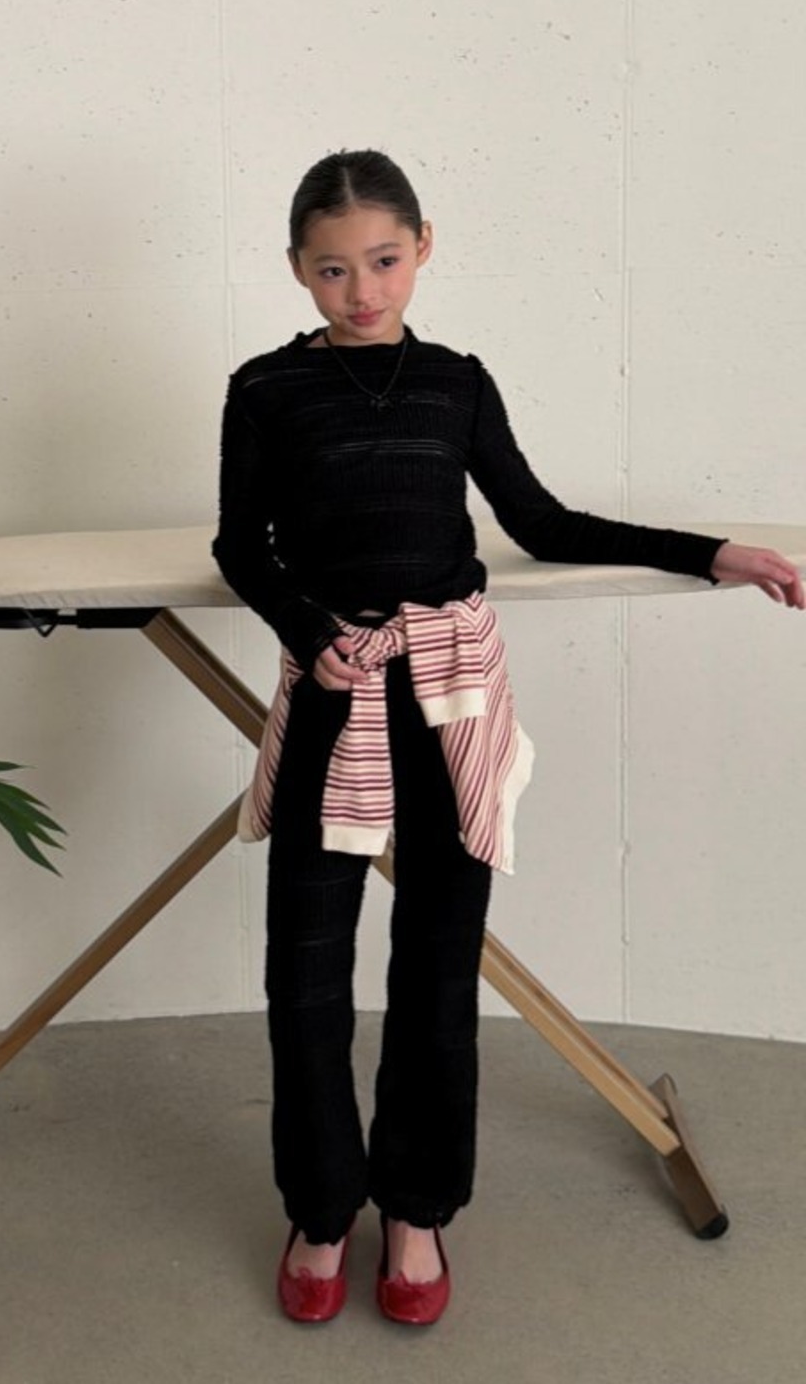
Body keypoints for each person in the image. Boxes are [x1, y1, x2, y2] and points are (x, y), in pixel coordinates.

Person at [212, 148, 803, 1328]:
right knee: (305, 965)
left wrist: (711, 553)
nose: (361, 290)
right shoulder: (265, 390)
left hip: (450, 697)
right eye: (331, 270)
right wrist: (308, 631)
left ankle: (416, 1207)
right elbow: (242, 544)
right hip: (335, 688)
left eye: (383, 260)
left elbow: (539, 521)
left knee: (437, 959)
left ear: (422, 247)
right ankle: (320, 1209)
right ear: (295, 270)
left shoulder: (455, 384)